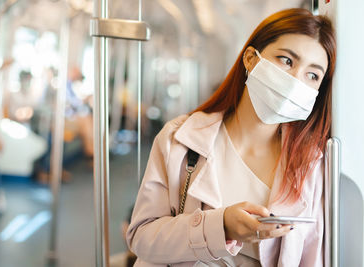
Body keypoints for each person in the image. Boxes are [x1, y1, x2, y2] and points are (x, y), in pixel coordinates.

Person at [126, 8, 336, 267]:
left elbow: (313, 258)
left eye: (312, 75)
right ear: (250, 59)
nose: (295, 81)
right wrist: (221, 226)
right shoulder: (179, 139)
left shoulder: (312, 166)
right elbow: (142, 237)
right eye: (286, 61)